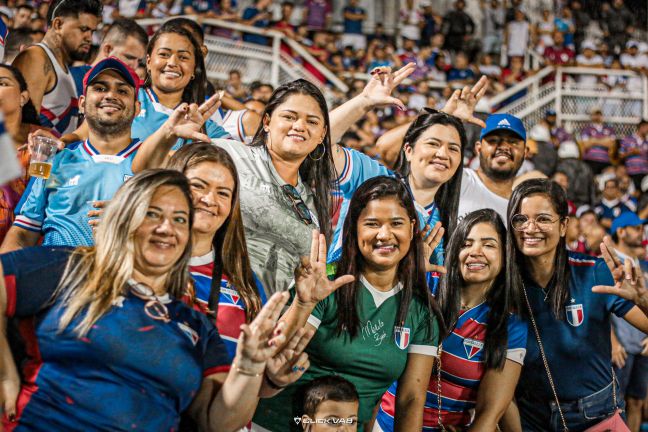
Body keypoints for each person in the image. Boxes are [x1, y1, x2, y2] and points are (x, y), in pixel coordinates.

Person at [0, 169, 307, 430]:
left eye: (179, 219)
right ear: (124, 217)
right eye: (152, 214)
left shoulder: (195, 323)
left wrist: (250, 367)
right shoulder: (73, 267)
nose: (166, 229)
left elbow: (218, 421)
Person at [254, 176, 442, 430]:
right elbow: (274, 358)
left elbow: (410, 400)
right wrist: (302, 302)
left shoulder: (422, 311)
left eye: (396, 223)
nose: (384, 235)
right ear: (354, 228)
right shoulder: (324, 283)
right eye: (372, 224)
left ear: (411, 228)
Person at [1, 57, 218, 251]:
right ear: (83, 104)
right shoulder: (55, 162)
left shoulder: (158, 165)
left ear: (136, 108)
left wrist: (133, 225)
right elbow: (22, 232)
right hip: (55, 278)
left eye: (122, 91)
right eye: (100, 88)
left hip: (122, 283)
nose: (111, 95)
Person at [507, 178, 648, 431]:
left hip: (598, 417)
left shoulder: (595, 272)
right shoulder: (504, 283)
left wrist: (644, 301)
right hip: (531, 419)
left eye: (543, 218)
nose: (530, 228)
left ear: (563, 226)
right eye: (520, 219)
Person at [377, 209, 527, 430]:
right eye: (466, 244)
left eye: (488, 245)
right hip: (384, 424)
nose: (476, 252)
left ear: (505, 257)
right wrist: (407, 276)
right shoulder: (428, 286)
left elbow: (490, 413)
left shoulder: (510, 323)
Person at [166, 143, 267, 360]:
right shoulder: (138, 263)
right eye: (199, 186)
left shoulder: (246, 283)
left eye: (223, 193)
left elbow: (259, 377)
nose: (210, 200)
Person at [62, 22, 228, 147]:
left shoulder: (202, 119)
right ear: (148, 62)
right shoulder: (124, 97)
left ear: (193, 69)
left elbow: (242, 157)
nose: (172, 63)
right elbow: (83, 135)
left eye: (183, 57)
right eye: (164, 54)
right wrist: (58, 142)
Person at [12, 0, 102, 136]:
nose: (89, 38)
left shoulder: (62, 67)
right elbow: (16, 126)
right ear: (58, 24)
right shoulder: (36, 58)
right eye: (84, 29)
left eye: (92, 31)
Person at [609, 212, 648, 432]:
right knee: (615, 406)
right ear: (621, 232)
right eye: (635, 228)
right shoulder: (607, 261)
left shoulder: (643, 266)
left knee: (636, 401)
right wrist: (613, 343)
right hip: (619, 349)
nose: (640, 232)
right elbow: (599, 308)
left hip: (641, 347)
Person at [0, 65, 44, 244]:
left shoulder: (46, 141)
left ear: (23, 97)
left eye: (2, 83)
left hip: (27, 250)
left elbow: (52, 194)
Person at [70, 18, 149, 97]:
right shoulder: (71, 79)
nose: (135, 66)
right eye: (129, 57)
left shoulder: (133, 91)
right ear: (107, 50)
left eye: (139, 61)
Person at [580, 107, 616, 175]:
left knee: (611, 176)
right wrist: (604, 140)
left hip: (605, 160)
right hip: (590, 160)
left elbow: (611, 144)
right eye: (595, 114)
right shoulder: (586, 129)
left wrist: (593, 140)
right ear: (591, 116)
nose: (597, 116)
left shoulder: (609, 129)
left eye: (599, 114)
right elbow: (586, 145)